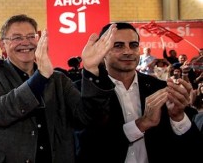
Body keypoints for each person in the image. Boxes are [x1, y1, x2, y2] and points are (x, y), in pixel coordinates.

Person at [0, 14, 116, 163]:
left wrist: (91, 70)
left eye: (31, 36)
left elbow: (89, 118)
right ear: (2, 44)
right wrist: (40, 78)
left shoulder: (58, 79)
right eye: (17, 38)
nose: (25, 42)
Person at [76, 22, 202, 163]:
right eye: (118, 45)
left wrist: (178, 117)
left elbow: (193, 149)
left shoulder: (161, 88)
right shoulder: (85, 91)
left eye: (133, 45)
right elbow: (89, 145)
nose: (128, 51)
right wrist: (142, 123)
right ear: (103, 51)